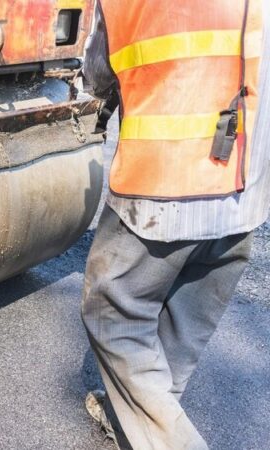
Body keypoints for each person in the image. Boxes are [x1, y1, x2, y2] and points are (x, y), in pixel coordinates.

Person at [81, 0, 268, 448]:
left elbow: (96, 77)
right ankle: (135, 419)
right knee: (184, 323)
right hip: (245, 195)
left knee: (112, 311)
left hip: (164, 186)